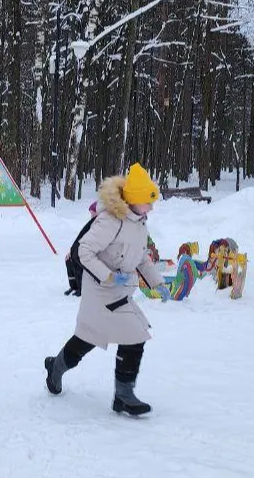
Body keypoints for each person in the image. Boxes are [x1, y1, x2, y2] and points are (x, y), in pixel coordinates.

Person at [43, 163, 170, 417]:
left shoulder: (139, 222)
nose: (152, 208)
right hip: (101, 293)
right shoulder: (110, 221)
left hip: (121, 294)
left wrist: (157, 283)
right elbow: (83, 251)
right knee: (124, 336)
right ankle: (63, 371)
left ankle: (64, 369)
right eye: (148, 201)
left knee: (99, 340)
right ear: (134, 200)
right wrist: (109, 276)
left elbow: (141, 257)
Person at [64, 201, 99, 296]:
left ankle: (81, 288)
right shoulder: (91, 224)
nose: (91, 216)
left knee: (77, 258)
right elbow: (81, 239)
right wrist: (71, 251)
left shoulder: (100, 225)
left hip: (94, 253)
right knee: (69, 259)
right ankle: (74, 286)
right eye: (91, 213)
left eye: (93, 213)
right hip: (85, 250)